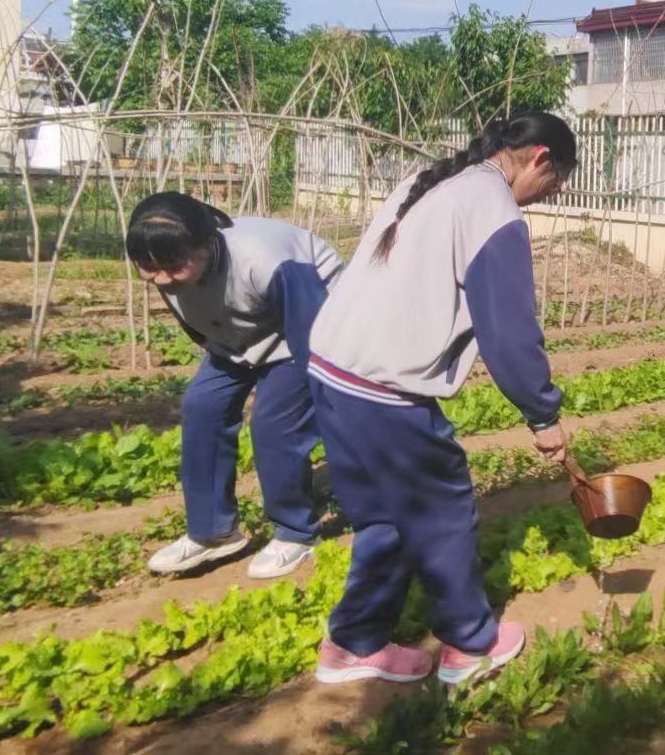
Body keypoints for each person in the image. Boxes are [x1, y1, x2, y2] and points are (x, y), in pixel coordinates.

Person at [305, 111, 577, 687]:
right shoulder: (491, 207)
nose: (549, 195)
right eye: (555, 182)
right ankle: (470, 645)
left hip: (331, 371)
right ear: (540, 159)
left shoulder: (432, 180)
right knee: (442, 513)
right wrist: (543, 413)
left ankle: (352, 644)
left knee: (385, 520)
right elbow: (509, 332)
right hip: (383, 391)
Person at [125, 192, 342, 579]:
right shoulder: (167, 258)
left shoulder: (266, 260)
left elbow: (312, 336)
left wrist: (331, 407)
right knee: (202, 406)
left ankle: (295, 532)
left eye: (173, 268)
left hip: (308, 326)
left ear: (206, 244)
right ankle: (214, 533)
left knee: (275, 423)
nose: (162, 279)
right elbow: (196, 321)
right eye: (149, 270)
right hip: (238, 335)